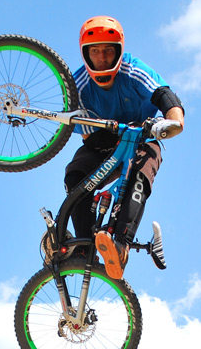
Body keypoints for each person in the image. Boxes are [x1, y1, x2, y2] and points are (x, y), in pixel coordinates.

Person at [64, 15, 185, 280]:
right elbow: (68, 123)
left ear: (118, 51)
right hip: (102, 141)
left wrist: (175, 121)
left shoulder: (132, 70)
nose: (103, 58)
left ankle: (120, 245)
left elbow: (165, 95)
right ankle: (83, 247)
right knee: (75, 175)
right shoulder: (78, 83)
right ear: (86, 54)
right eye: (95, 52)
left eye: (108, 51)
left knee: (144, 167)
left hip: (142, 135)